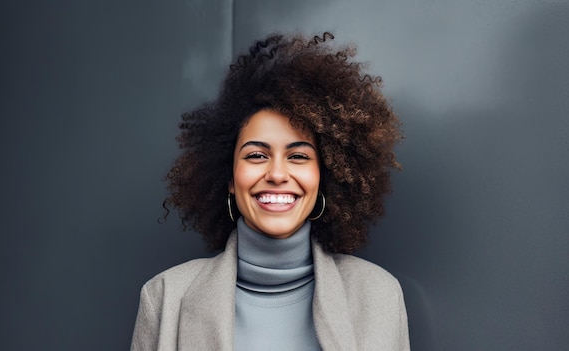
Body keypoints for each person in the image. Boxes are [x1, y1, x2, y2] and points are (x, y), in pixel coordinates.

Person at [131, 32, 410, 351]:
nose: (277, 174)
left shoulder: (380, 296)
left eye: (299, 156)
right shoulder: (165, 298)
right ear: (230, 178)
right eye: (256, 155)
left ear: (323, 176)